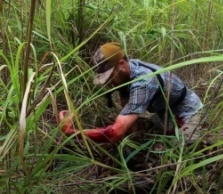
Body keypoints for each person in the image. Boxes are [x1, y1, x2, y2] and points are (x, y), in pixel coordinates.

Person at [59, 42, 203, 143]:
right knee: (141, 131)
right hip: (163, 112)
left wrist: (72, 133)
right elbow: (125, 106)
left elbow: (115, 133)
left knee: (178, 152)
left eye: (109, 77)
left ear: (121, 64)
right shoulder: (127, 71)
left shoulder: (144, 81)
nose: (108, 83)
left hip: (187, 112)